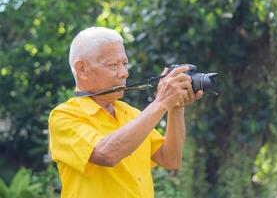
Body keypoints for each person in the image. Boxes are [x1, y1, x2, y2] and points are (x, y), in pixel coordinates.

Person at [48, 27, 204, 198]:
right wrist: (161, 102)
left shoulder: (132, 114)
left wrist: (176, 107)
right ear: (82, 69)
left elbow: (170, 160)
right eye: (113, 65)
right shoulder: (63, 117)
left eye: (124, 63)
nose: (124, 73)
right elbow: (106, 154)